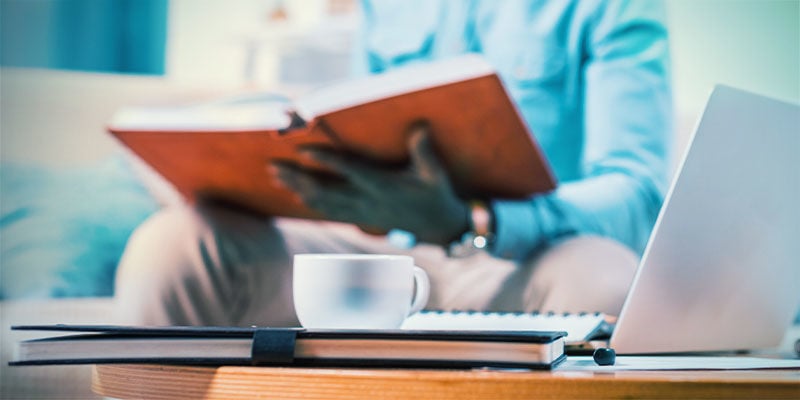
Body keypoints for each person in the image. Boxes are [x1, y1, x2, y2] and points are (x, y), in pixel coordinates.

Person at [114, 0, 673, 326]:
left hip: (518, 261)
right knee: (174, 246)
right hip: (384, 250)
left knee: (605, 280)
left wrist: (474, 221)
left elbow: (637, 195)